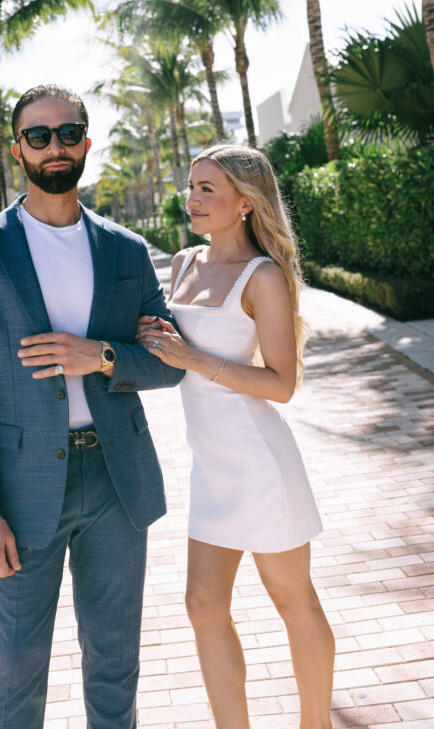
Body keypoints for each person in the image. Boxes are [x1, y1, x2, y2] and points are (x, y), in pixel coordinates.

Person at [0, 84, 183, 729]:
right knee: (18, 661)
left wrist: (100, 355)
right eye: (40, 135)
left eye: (68, 132)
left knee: (114, 659)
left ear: (87, 140)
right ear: (17, 148)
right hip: (21, 491)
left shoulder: (126, 252)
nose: (56, 146)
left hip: (115, 478)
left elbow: (169, 362)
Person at [136, 143, 335, 729]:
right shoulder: (182, 264)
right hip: (211, 467)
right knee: (202, 605)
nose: (191, 199)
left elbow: (281, 385)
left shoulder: (263, 276)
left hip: (259, 465)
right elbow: (175, 353)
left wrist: (191, 356)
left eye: (207, 189)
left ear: (246, 203)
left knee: (293, 602)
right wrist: (154, 337)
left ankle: (314, 724)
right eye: (191, 186)